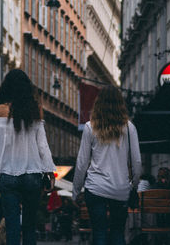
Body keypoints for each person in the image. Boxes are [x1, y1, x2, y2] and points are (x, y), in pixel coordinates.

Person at [0, 69, 56, 245]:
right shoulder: (35, 110)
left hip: (7, 174)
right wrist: (50, 172)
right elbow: (42, 145)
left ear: (6, 87)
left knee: (12, 225)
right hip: (32, 175)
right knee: (30, 226)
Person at [72, 85, 142, 245]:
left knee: (99, 233)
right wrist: (133, 186)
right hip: (120, 189)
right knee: (118, 233)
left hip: (95, 188)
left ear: (98, 103)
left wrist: (76, 191)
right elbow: (137, 162)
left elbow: (82, 163)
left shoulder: (90, 127)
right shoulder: (129, 128)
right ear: (120, 104)